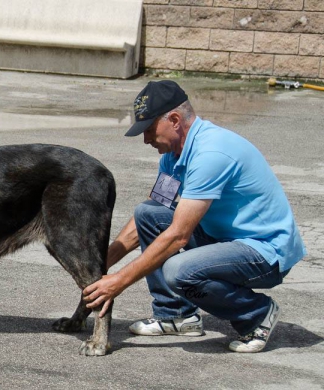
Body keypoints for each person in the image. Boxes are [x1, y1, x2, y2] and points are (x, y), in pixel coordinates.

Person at [83, 80, 306, 353]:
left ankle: (256, 314)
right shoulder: (173, 155)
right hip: (224, 240)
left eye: (150, 130)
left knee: (180, 271)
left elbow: (178, 236)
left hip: (265, 252)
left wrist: (118, 281)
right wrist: (98, 265)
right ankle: (176, 314)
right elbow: (156, 209)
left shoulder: (211, 154)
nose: (146, 139)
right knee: (148, 213)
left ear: (174, 120)